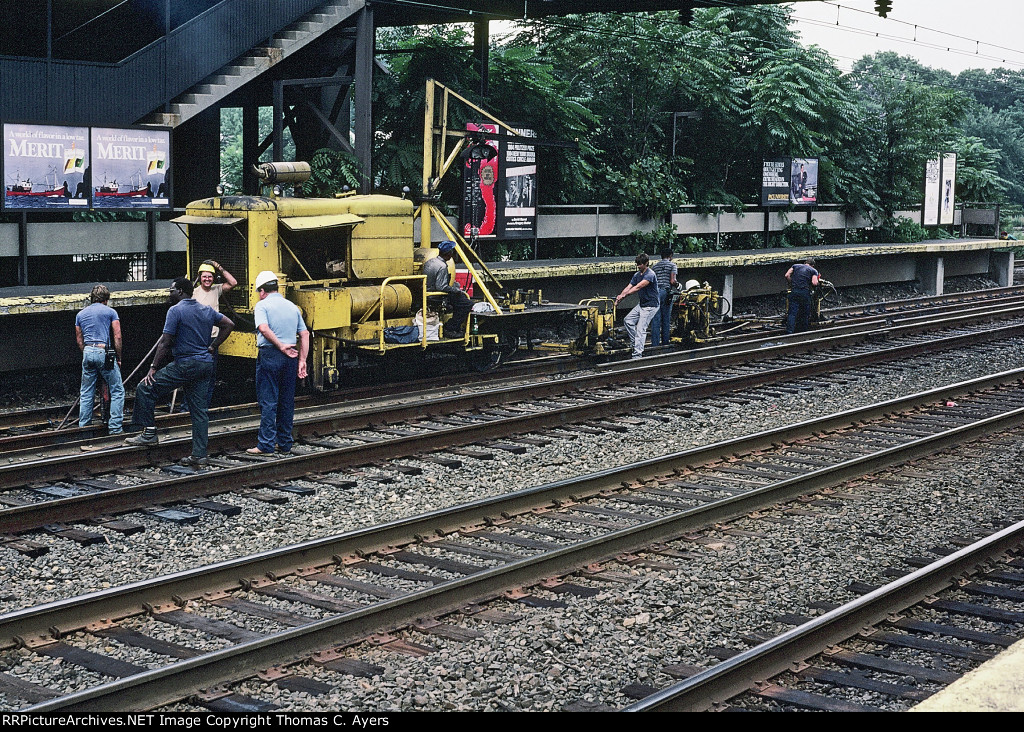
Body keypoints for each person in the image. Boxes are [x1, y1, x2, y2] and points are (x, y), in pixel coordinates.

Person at [125, 277, 233, 466]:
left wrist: (153, 368)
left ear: (181, 292)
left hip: (185, 364)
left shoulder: (175, 311)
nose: (169, 293)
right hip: (204, 365)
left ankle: (149, 433)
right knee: (199, 411)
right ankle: (199, 455)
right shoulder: (206, 310)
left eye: (171, 290)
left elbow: (165, 342)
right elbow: (229, 324)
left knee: (145, 388)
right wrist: (213, 346)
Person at [247, 270, 309, 456]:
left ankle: (265, 444)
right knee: (286, 401)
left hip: (271, 355)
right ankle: (284, 444)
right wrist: (302, 360)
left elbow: (264, 329)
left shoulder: (262, 306)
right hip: (291, 357)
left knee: (268, 401)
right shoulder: (292, 307)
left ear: (263, 290)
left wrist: (280, 346)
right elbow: (304, 334)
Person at [75, 284, 124, 434]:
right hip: (103, 351)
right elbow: (117, 336)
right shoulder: (111, 312)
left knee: (86, 391)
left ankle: (84, 427)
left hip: (88, 351)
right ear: (106, 299)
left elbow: (79, 339)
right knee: (117, 390)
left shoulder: (80, 315)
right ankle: (115, 428)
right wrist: (118, 357)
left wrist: (88, 353)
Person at [192, 259, 237, 407]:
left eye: (210, 276)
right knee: (193, 374)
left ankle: (205, 406)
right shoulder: (193, 292)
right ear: (199, 278)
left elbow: (233, 283)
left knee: (210, 375)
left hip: (213, 339)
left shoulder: (216, 289)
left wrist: (218, 267)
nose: (207, 279)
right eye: (204, 276)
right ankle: (188, 406)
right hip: (197, 338)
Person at [422, 240, 472, 339]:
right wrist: (456, 290)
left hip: (427, 291)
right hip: (436, 295)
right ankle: (450, 328)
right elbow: (441, 286)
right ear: (448, 253)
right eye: (452, 252)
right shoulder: (442, 266)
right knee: (466, 304)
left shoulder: (430, 261)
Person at [615, 253, 660, 359]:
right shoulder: (637, 275)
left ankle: (637, 354)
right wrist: (620, 297)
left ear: (646, 263)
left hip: (651, 305)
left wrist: (624, 295)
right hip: (642, 304)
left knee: (641, 329)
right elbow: (629, 286)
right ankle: (635, 344)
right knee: (628, 321)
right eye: (637, 264)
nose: (638, 266)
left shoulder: (650, 274)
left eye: (640, 264)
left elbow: (637, 287)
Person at [649, 248, 678, 347]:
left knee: (656, 320)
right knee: (666, 318)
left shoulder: (655, 267)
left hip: (655, 293)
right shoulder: (672, 265)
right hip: (665, 292)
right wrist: (678, 286)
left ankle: (655, 345)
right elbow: (672, 281)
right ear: (670, 256)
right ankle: (666, 342)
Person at [784, 257, 820, 334]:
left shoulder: (795, 266)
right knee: (804, 312)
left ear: (805, 263)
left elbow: (787, 275)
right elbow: (814, 282)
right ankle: (802, 331)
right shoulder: (813, 270)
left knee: (792, 313)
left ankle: (789, 331)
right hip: (804, 292)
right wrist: (817, 283)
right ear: (812, 265)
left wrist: (791, 282)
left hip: (794, 291)